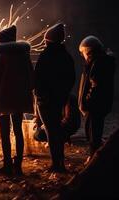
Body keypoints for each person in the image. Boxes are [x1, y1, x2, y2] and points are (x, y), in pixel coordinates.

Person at [0, 25, 34, 175]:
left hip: (2, 102)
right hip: (19, 100)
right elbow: (32, 80)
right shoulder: (24, 56)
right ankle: (18, 165)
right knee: (18, 131)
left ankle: (7, 165)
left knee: (5, 133)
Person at [35, 23, 75, 172]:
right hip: (59, 100)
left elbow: (37, 78)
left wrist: (40, 95)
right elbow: (71, 78)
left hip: (46, 102)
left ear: (49, 40)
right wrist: (63, 95)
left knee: (52, 133)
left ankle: (56, 164)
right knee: (56, 130)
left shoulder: (46, 56)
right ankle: (60, 163)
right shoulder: (66, 56)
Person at [78, 36, 116, 156]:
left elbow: (96, 86)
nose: (83, 55)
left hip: (95, 106)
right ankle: (94, 156)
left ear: (88, 50)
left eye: (83, 52)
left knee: (94, 135)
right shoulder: (97, 61)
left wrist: (87, 103)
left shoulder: (99, 63)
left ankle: (94, 159)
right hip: (97, 105)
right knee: (93, 133)